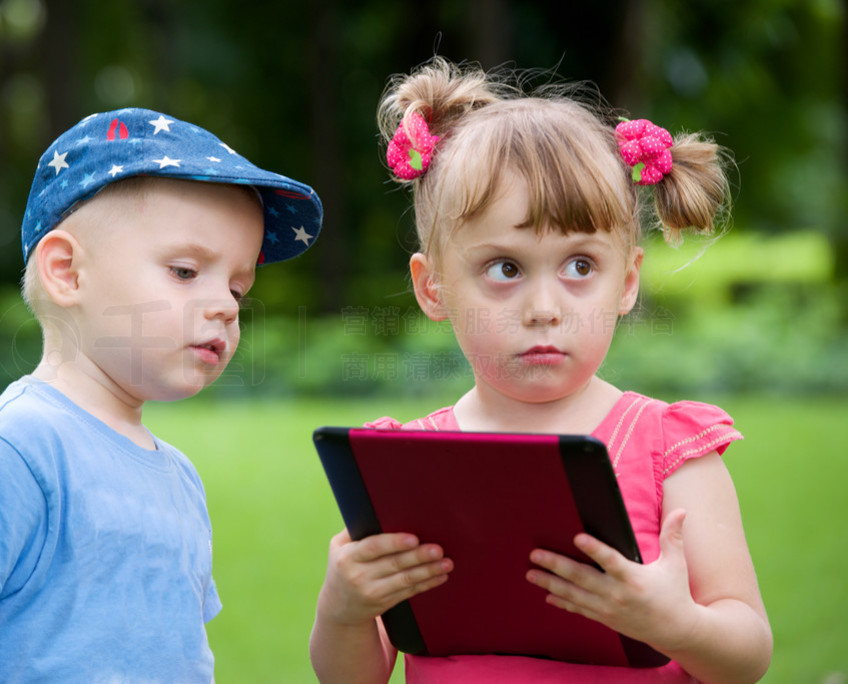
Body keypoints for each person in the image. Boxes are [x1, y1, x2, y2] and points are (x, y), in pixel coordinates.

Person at [309, 57, 771, 683]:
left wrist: (674, 624)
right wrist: (343, 613)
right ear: (433, 287)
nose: (545, 309)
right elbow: (353, 678)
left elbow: (747, 658)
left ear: (627, 280)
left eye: (580, 266)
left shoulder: (673, 452)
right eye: (505, 268)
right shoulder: (407, 466)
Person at [0, 107, 322, 682]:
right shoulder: (17, 445)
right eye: (186, 272)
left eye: (238, 289)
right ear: (68, 272)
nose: (225, 305)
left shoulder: (179, 479)